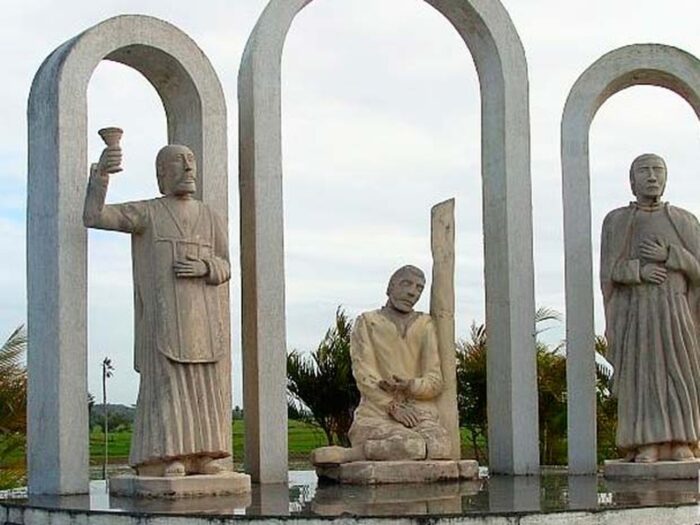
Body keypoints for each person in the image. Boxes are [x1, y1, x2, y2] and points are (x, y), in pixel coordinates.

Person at [83, 142, 231, 477]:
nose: (189, 169)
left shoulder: (210, 216)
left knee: (203, 390)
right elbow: (95, 216)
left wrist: (207, 267)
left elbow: (225, 265)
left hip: (203, 323)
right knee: (168, 391)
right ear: (162, 175)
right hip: (163, 323)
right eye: (180, 163)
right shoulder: (148, 212)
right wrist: (102, 175)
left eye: (191, 161)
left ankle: (205, 455)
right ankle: (170, 456)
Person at [601, 153, 700, 463]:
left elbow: (698, 270)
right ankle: (646, 443)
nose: (652, 176)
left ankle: (683, 440)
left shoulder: (684, 220)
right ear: (632, 181)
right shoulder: (618, 221)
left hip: (676, 310)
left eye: (658, 170)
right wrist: (638, 272)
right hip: (639, 313)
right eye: (643, 171)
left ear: (666, 178)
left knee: (679, 374)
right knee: (644, 378)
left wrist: (671, 255)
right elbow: (609, 271)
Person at [313, 265, 450, 464]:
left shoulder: (424, 324)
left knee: (440, 446)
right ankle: (352, 455)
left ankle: (355, 454)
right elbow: (364, 375)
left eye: (419, 288)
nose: (413, 292)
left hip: (418, 414)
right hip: (378, 414)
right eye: (406, 284)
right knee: (410, 445)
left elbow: (435, 380)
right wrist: (392, 406)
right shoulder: (368, 322)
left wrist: (411, 385)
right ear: (390, 287)